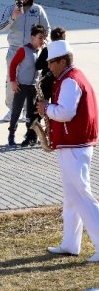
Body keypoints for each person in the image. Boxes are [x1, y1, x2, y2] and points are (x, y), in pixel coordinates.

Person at [37, 41, 99, 263]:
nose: (49, 67)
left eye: (52, 63)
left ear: (63, 61)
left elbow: (65, 113)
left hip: (74, 146)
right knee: (72, 197)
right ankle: (70, 244)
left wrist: (46, 109)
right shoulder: (72, 77)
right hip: (74, 145)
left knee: (82, 195)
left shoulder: (70, 81)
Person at [0, 0, 50, 120]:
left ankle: (28, 110)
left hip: (32, 51)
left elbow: (47, 29)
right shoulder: (10, 9)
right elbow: (1, 27)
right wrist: (13, 17)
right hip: (15, 50)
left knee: (32, 80)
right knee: (12, 80)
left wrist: (44, 42)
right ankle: (12, 109)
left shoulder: (38, 10)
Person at [7, 24, 47, 147]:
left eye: (44, 38)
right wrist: (13, 81)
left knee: (31, 113)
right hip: (21, 86)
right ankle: (11, 135)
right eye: (40, 38)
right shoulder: (23, 50)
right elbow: (13, 65)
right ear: (32, 37)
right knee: (16, 111)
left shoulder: (39, 52)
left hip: (33, 87)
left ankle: (29, 136)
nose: (42, 41)